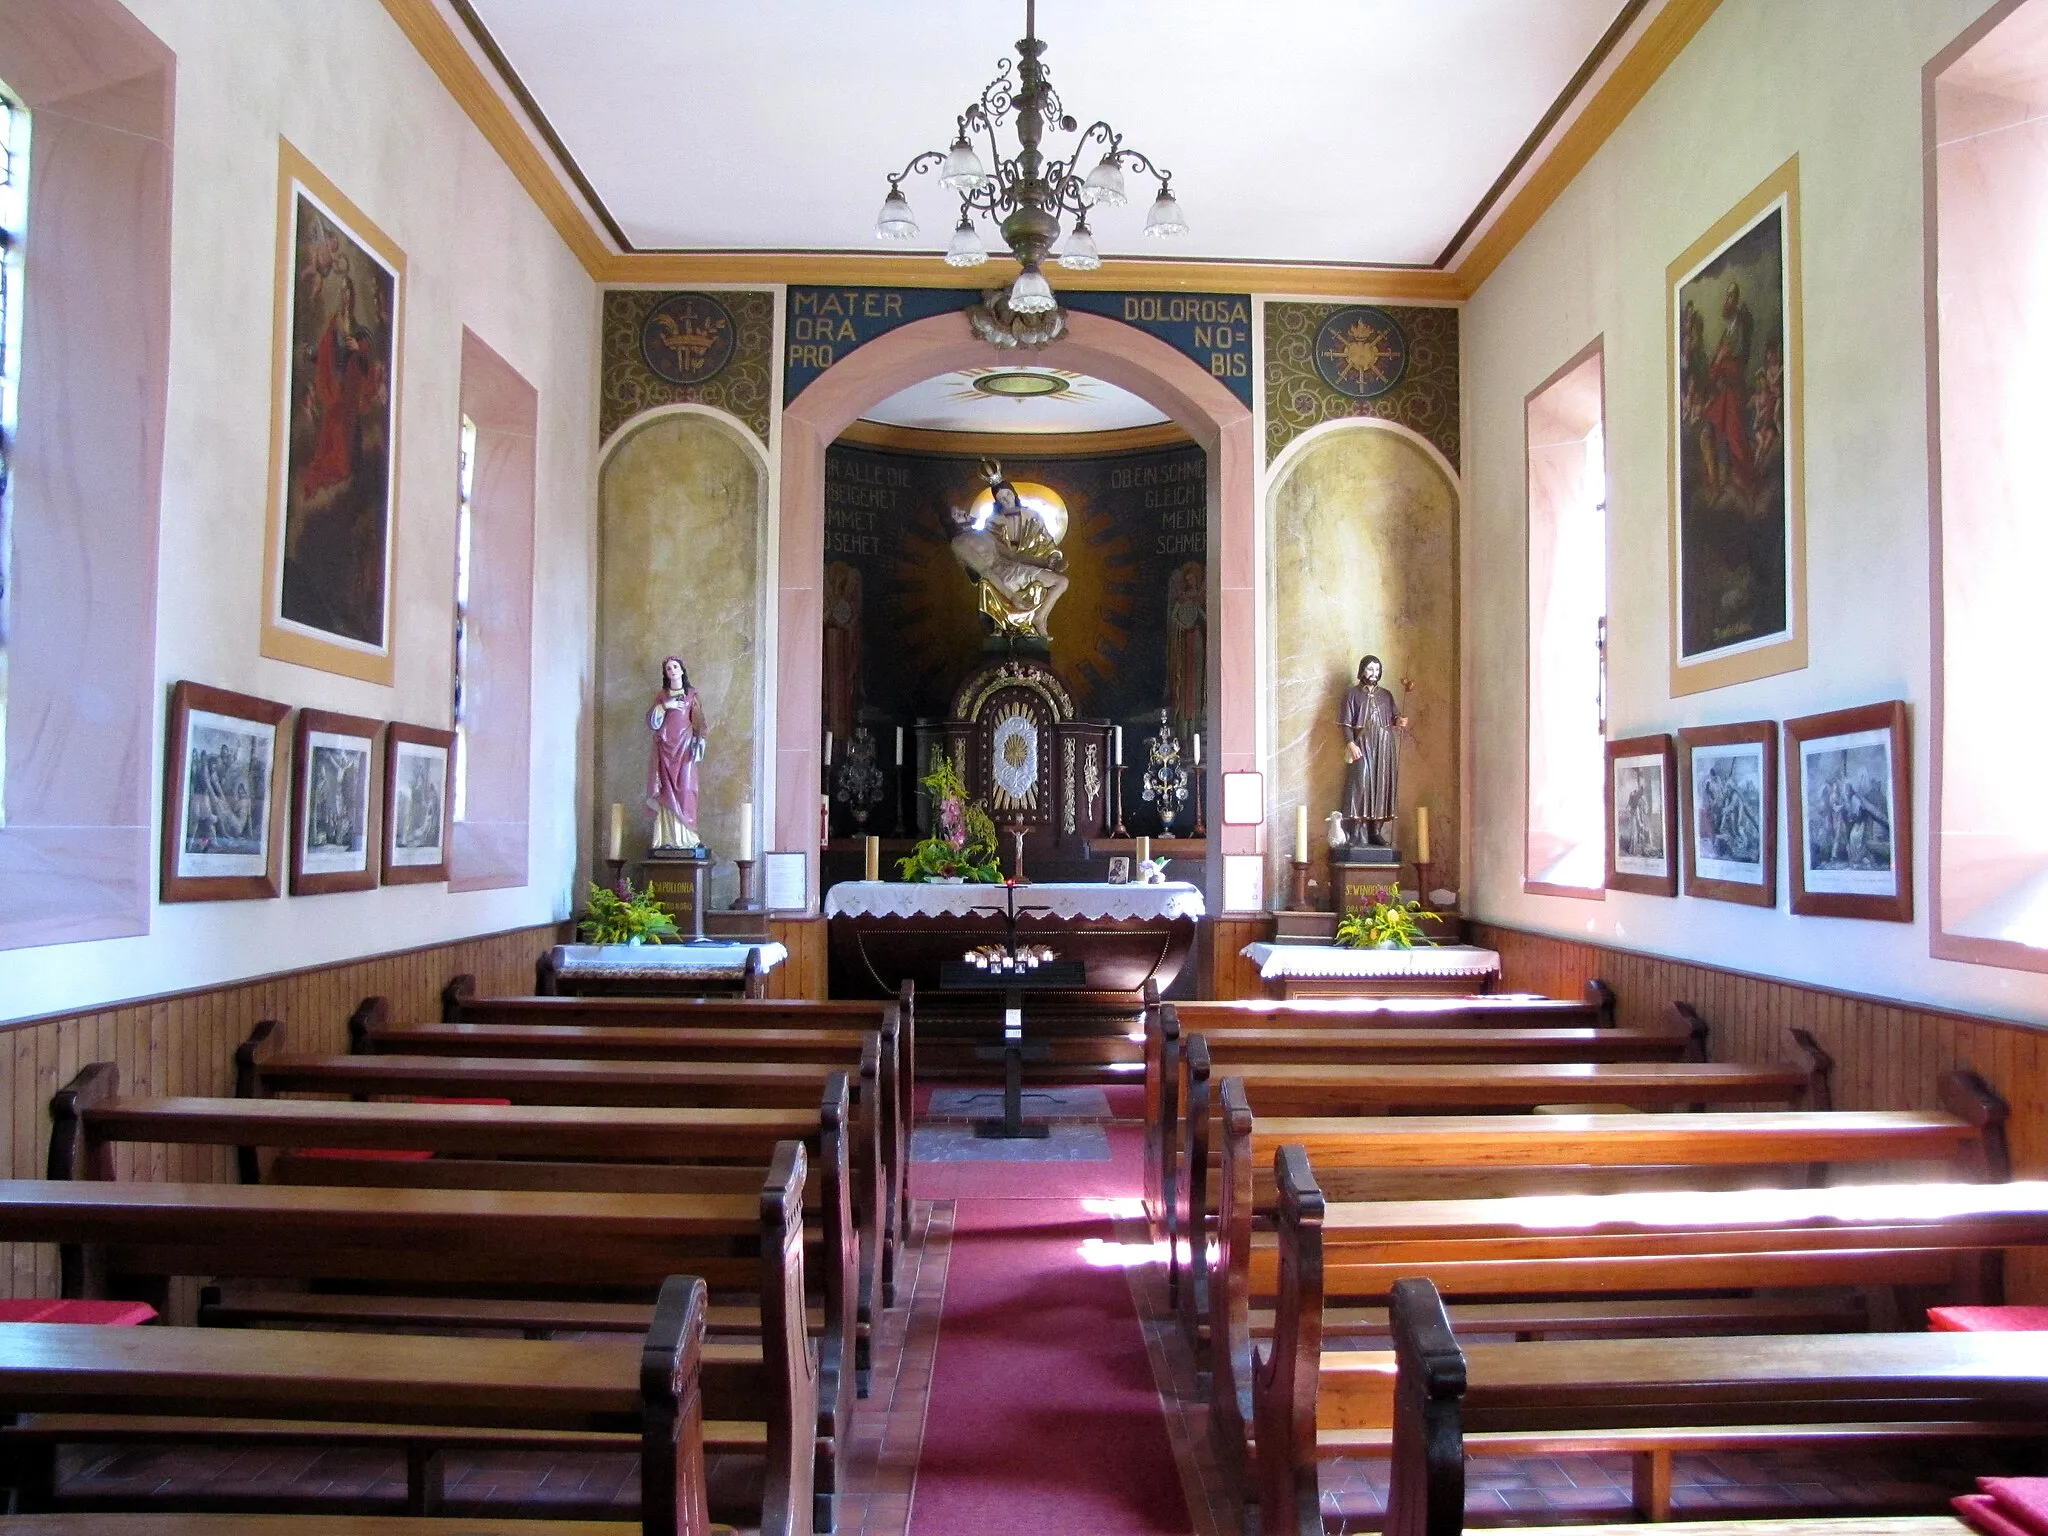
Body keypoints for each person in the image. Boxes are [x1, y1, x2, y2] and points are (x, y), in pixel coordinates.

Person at [1341, 655, 1407, 848]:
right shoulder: (1352, 694)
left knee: (1381, 785)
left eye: (1377, 670)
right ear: (1362, 670)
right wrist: (1350, 743)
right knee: (1360, 783)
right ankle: (1356, 830)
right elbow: (1345, 722)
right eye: (1370, 669)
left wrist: (1399, 721)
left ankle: (1375, 831)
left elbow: (1394, 717)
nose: (1374, 673)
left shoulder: (1386, 695)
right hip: (1362, 745)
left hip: (1384, 746)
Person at [645, 655, 707, 851]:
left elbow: (699, 722)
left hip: (685, 749)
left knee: (687, 790)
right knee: (666, 792)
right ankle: (667, 838)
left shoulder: (691, 695)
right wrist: (665, 706)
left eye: (675, 667)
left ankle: (687, 837)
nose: (672, 671)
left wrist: (699, 741)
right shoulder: (662, 697)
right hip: (665, 750)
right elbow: (652, 722)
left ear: (682, 670)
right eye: (668, 669)